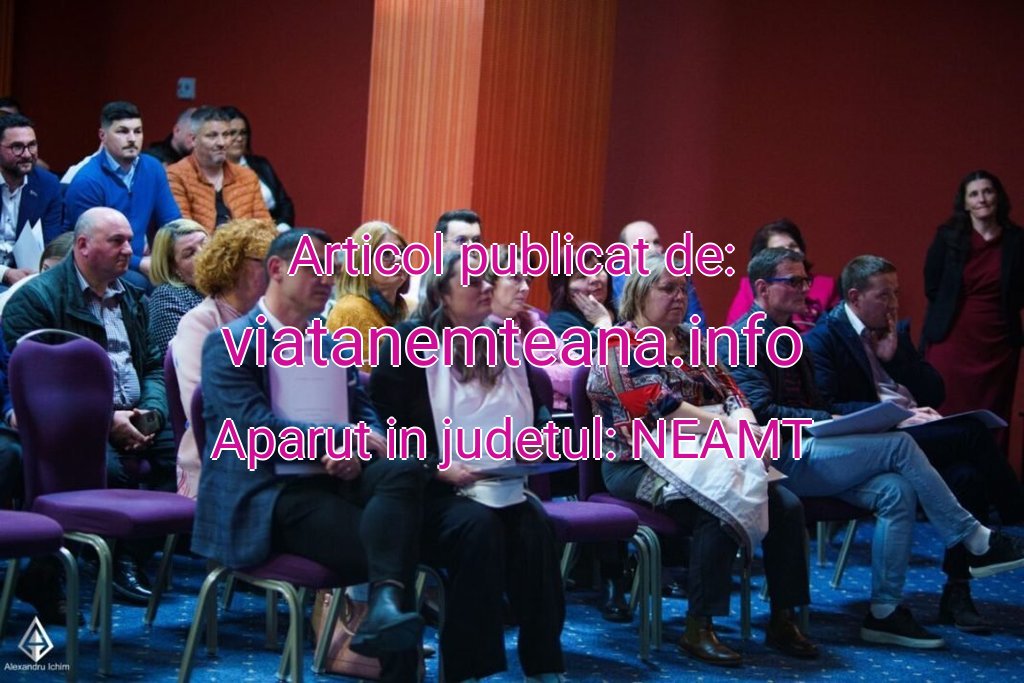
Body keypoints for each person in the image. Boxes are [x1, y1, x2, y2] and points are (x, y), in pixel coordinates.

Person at [727, 247, 1024, 644]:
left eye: (805, 280)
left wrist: (837, 419)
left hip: (812, 449)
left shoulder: (791, 336)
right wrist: (830, 419)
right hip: (779, 459)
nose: (805, 289)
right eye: (793, 281)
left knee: (896, 490)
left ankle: (884, 612)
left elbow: (819, 402)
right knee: (899, 445)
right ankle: (973, 537)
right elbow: (761, 414)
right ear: (763, 288)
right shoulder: (743, 338)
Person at [193, 229, 425, 681]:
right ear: (276, 270)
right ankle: (398, 656)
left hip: (333, 481)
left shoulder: (330, 343)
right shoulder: (228, 343)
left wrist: (361, 444)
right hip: (268, 493)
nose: (326, 279)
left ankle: (385, 614)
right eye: (313, 267)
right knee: (397, 544)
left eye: (331, 270)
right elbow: (256, 432)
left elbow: (366, 412)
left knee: (404, 466)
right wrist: (343, 439)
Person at [587, 254, 817, 666]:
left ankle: (785, 617)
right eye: (668, 288)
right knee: (718, 504)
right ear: (639, 293)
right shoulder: (618, 345)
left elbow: (733, 392)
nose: (679, 297)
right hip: (635, 462)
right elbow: (660, 407)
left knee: (786, 505)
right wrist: (732, 430)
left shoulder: (693, 341)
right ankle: (699, 626)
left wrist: (747, 425)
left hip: (705, 451)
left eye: (683, 288)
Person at [371, 251, 566, 683]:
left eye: (488, 281)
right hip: (427, 491)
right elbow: (384, 429)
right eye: (474, 281)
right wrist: (437, 467)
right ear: (442, 293)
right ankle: (466, 670)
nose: (486, 288)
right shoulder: (408, 342)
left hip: (497, 483)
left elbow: (532, 411)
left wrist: (535, 440)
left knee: (536, 526)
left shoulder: (504, 340)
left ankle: (545, 664)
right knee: (479, 528)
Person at [805, 254, 1024, 631]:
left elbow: (935, 392)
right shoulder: (824, 338)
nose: (893, 303)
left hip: (912, 433)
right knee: (972, 433)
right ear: (855, 297)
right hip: (875, 439)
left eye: (896, 293)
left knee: (967, 477)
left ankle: (958, 592)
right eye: (884, 295)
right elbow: (828, 407)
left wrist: (897, 359)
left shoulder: (893, 331)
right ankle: (1015, 519)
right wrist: (895, 415)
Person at [3, 206, 177, 606]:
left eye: (130, 241)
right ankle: (69, 569)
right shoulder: (37, 299)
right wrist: (106, 420)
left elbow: (153, 364)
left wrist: (151, 413)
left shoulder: (133, 296)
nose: (129, 250)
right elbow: (36, 386)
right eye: (117, 241)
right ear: (82, 245)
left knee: (191, 458)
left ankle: (126, 558)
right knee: (107, 470)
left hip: (136, 412)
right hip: (73, 424)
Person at [171, 218, 275, 499]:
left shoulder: (276, 322)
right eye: (265, 262)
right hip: (218, 460)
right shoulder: (200, 322)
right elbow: (205, 406)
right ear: (234, 266)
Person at [921, 170, 1024, 428]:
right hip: (953, 335)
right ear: (965, 203)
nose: (982, 199)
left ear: (998, 197)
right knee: (946, 404)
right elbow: (932, 285)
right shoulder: (947, 237)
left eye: (987, 192)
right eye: (974, 194)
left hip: (999, 342)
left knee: (993, 411)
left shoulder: (1016, 240)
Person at [62, 101, 182, 290]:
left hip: (138, 260)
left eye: (138, 131)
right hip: (99, 265)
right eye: (123, 131)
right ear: (102, 136)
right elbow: (94, 246)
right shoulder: (88, 181)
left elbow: (172, 223)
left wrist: (185, 252)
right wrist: (140, 263)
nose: (132, 139)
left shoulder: (152, 168)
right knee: (145, 285)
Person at [165, 107, 270, 231]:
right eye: (212, 136)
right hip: (200, 243)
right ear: (193, 140)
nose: (221, 143)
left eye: (226, 135)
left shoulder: (247, 176)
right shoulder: (176, 175)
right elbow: (183, 232)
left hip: (245, 243)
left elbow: (266, 228)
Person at [725, 218, 839, 331]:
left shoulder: (826, 285)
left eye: (792, 246)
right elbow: (735, 330)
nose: (789, 252)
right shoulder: (751, 287)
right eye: (779, 249)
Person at [326, 221, 409, 373]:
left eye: (401, 252)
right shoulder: (352, 311)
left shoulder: (403, 309)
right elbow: (369, 378)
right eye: (386, 254)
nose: (398, 259)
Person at [610, 220, 705, 329]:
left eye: (656, 242)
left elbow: (697, 323)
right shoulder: (610, 281)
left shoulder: (677, 276)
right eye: (644, 244)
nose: (653, 249)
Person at [0, 114, 63, 269]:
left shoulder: (48, 185)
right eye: (17, 147)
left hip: (28, 272)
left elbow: (51, 244)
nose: (27, 154)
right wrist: (5, 273)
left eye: (32, 145)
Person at [221, 106, 295, 229]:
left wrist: (282, 227)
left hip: (274, 230)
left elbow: (285, 204)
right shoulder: (213, 171)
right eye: (233, 133)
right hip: (238, 234)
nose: (239, 138)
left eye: (243, 133)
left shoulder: (261, 165)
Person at [146, 219, 208, 358]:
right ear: (173, 268)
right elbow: (184, 359)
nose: (203, 254)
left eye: (205, 244)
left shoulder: (234, 283)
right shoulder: (167, 297)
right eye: (189, 254)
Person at [547, 251, 616, 337]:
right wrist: (603, 321)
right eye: (582, 276)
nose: (594, 279)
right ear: (564, 289)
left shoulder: (619, 311)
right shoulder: (559, 323)